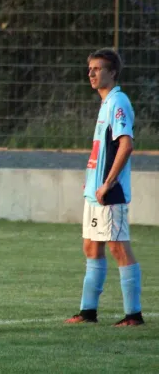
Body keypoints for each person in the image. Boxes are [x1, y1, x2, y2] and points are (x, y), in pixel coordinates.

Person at [65, 48, 143, 326]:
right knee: (91, 248)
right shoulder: (106, 103)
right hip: (95, 193)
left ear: (112, 72)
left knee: (118, 248)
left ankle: (133, 315)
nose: (91, 73)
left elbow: (126, 144)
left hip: (110, 192)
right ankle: (88, 312)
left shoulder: (118, 101)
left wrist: (108, 183)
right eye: (90, 69)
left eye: (97, 69)